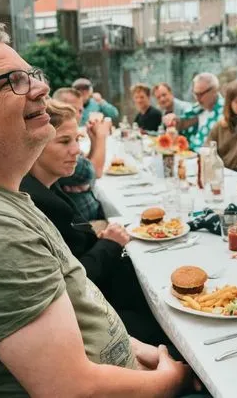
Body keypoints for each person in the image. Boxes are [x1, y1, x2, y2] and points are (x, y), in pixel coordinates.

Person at [0, 17, 195, 397]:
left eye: (32, 74)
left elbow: (85, 315)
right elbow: (71, 389)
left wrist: (151, 356)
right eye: (13, 81)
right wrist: (173, 380)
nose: (41, 87)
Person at [20, 99, 171, 347]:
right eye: (65, 141)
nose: (77, 150)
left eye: (77, 140)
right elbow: (72, 283)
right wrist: (109, 245)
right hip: (93, 320)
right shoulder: (37, 201)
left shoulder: (48, 186)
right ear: (35, 144)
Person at [52, 87, 108, 221]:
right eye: (78, 109)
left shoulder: (63, 136)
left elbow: (86, 165)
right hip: (83, 222)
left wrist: (94, 140)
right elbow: (95, 172)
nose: (81, 114)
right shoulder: (54, 134)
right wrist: (102, 137)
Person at [163, 73, 224, 151]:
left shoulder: (225, 112)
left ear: (214, 90)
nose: (197, 98)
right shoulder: (197, 109)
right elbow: (183, 123)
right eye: (195, 94)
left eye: (201, 94)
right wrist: (175, 121)